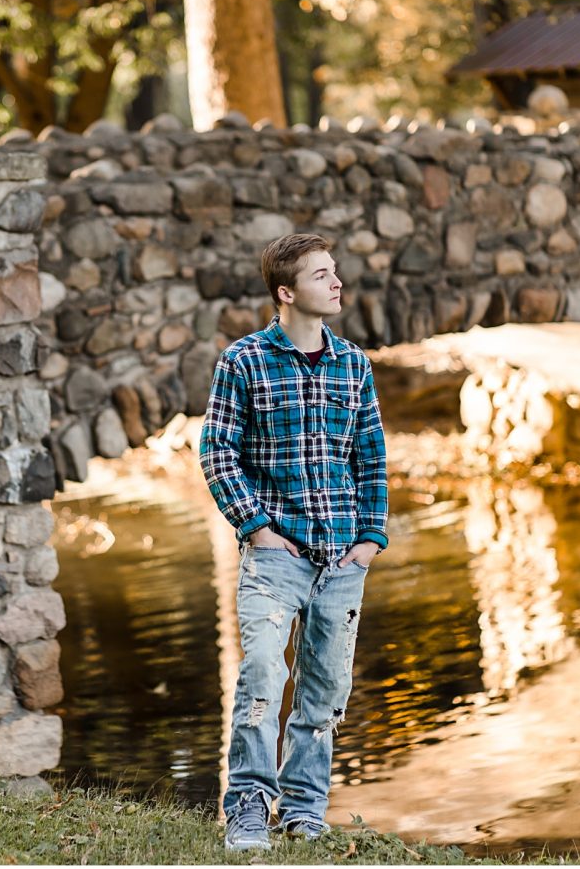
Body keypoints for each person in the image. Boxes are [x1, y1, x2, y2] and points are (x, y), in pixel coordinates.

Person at [198, 233, 389, 850]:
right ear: (287, 292)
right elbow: (217, 450)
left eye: (335, 273)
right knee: (260, 674)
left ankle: (304, 810)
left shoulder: (353, 363)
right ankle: (248, 808)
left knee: (326, 689)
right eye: (322, 275)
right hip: (276, 557)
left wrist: (370, 538)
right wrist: (254, 526)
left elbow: (371, 457)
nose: (337, 284)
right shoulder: (244, 361)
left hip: (343, 559)